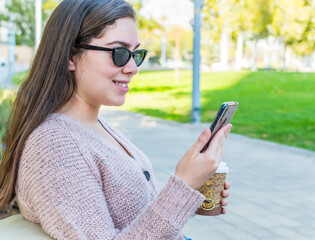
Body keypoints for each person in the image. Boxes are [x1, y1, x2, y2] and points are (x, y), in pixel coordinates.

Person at [0, 0, 232, 239]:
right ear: (71, 55)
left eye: (135, 54)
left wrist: (192, 191)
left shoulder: (93, 124)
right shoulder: (54, 146)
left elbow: (132, 218)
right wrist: (183, 186)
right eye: (119, 53)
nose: (133, 67)